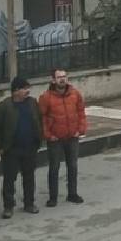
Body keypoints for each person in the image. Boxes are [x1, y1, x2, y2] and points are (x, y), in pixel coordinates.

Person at [0, 76, 43, 219]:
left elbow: (39, 120)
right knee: (9, 179)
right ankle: (8, 207)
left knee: (29, 177)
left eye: (28, 88)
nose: (28, 91)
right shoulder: (4, 106)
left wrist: (39, 139)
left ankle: (29, 203)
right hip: (11, 150)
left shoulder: (32, 103)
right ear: (16, 91)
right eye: (25, 88)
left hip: (29, 147)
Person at [38, 67, 87, 206]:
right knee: (54, 168)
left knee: (73, 166)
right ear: (53, 80)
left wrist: (81, 129)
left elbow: (81, 112)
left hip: (72, 137)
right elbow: (42, 118)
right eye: (59, 77)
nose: (62, 79)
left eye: (64, 76)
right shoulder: (46, 97)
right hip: (55, 139)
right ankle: (53, 197)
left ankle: (72, 194)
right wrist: (48, 135)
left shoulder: (75, 94)